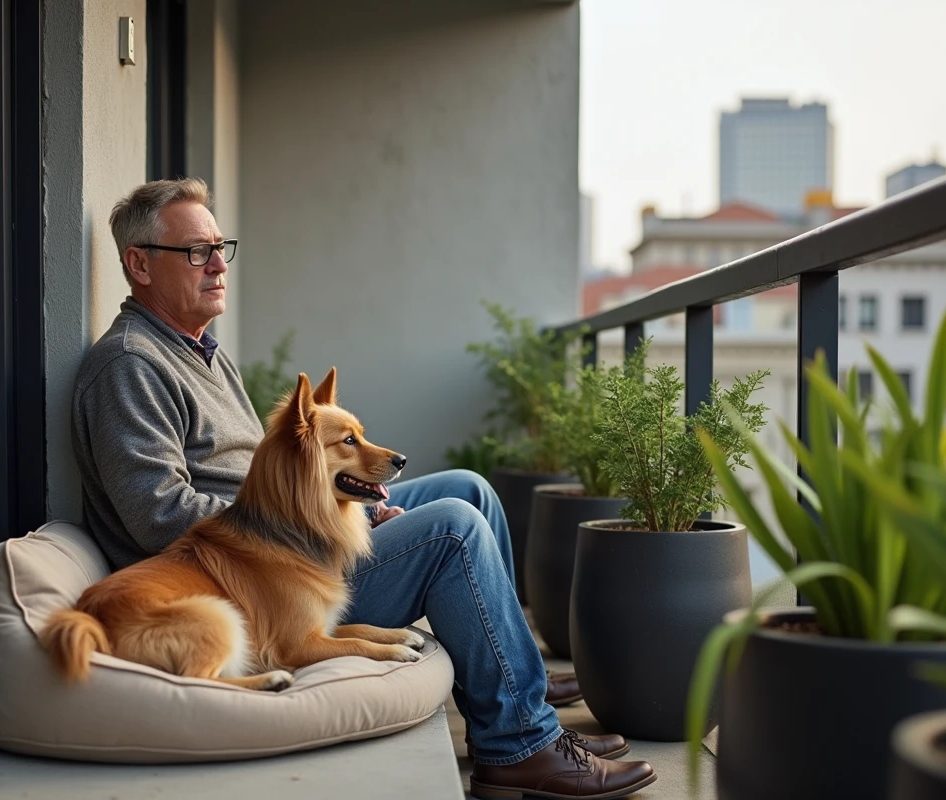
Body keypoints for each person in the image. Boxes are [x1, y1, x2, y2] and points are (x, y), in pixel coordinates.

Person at [71, 178, 657, 799]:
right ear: (139, 264)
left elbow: (271, 481)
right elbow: (158, 514)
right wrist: (318, 516)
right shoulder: (131, 365)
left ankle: (517, 684)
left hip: (290, 551)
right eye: (196, 251)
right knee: (455, 527)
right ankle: (519, 748)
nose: (218, 264)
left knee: (471, 489)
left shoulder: (200, 353)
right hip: (255, 587)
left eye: (221, 247)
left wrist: (332, 506)